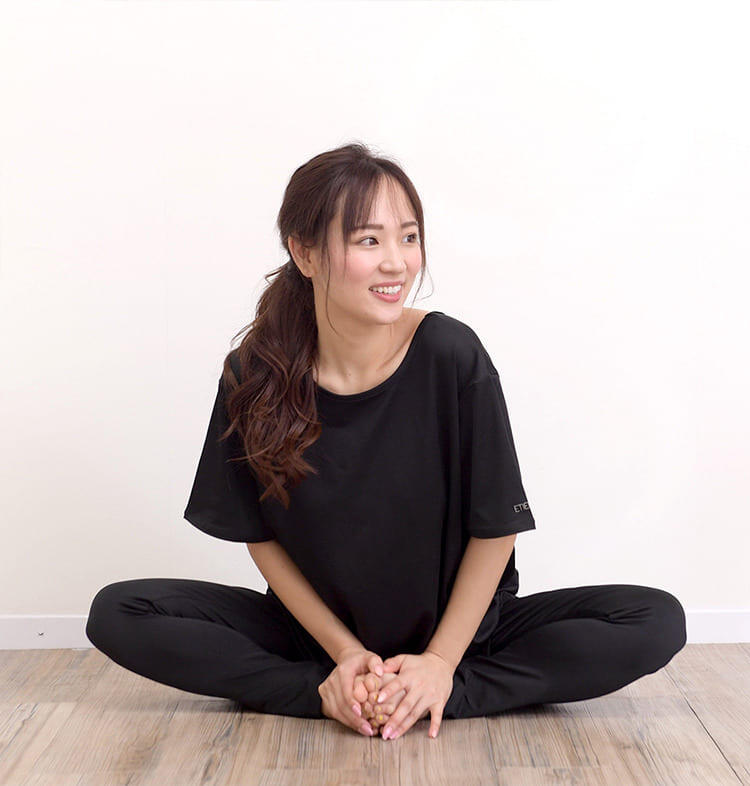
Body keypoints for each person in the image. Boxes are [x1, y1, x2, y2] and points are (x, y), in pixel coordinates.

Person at [85, 142, 687, 742]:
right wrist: (345, 654)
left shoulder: (451, 354)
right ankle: (328, 692)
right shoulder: (254, 374)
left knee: (654, 619)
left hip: (461, 637)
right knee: (119, 612)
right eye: (369, 241)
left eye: (409, 237)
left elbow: (496, 527)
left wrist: (441, 661)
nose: (397, 263)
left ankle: (433, 690)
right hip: (313, 640)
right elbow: (259, 537)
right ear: (305, 253)